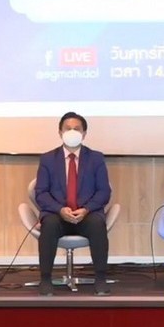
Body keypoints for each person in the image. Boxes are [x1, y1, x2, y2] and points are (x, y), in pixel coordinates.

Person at [34, 112, 112, 296]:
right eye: (68, 129)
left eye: (77, 129)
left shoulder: (96, 158)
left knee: (97, 224)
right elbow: (41, 193)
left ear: (84, 134)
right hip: (58, 214)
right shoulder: (47, 159)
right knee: (49, 224)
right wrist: (60, 210)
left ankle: (100, 279)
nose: (72, 132)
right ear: (60, 133)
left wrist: (86, 209)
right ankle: (45, 279)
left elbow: (104, 191)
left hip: (87, 214)